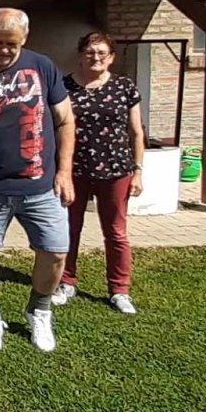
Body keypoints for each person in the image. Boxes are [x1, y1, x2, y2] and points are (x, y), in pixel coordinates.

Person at [0, 7, 75, 355]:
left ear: (25, 38)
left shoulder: (42, 67)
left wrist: (64, 171)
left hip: (40, 185)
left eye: (12, 43)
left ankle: (39, 309)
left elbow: (65, 121)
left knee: (55, 251)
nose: (4, 50)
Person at [57, 31, 145, 315]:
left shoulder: (124, 87)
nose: (95, 58)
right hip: (75, 171)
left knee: (116, 232)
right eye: (90, 52)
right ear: (80, 55)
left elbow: (136, 132)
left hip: (116, 170)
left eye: (101, 53)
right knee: (69, 229)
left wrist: (138, 171)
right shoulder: (64, 86)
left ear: (111, 57)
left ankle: (120, 290)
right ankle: (66, 282)